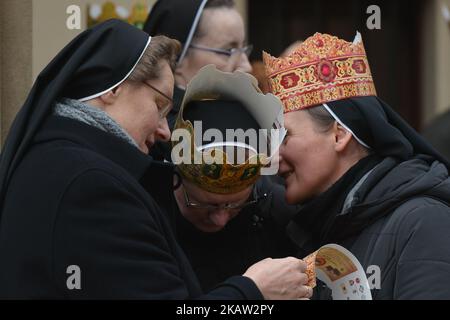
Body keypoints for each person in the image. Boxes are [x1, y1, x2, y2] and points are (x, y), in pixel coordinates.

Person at [0, 19, 311, 299]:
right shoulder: (91, 186)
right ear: (114, 89)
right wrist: (251, 292)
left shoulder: (62, 161)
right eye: (159, 104)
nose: (165, 130)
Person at [263, 32, 450, 299]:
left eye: (285, 136)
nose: (273, 156)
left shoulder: (423, 222)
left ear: (339, 135)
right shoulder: (318, 225)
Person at [168, 66, 298, 291]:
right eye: (205, 204)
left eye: (235, 205)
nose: (220, 219)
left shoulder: (276, 212)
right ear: (176, 180)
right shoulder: (150, 216)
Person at [143, 0, 252, 161]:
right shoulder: (171, 133)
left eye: (243, 49)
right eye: (228, 51)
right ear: (176, 57)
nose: (246, 66)